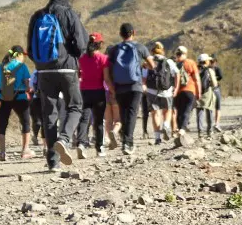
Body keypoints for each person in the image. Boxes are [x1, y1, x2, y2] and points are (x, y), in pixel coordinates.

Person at [27, 0, 89, 170]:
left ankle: (53, 162)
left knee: (49, 113)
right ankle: (65, 138)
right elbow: (81, 43)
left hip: (44, 71)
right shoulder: (69, 14)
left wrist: (42, 64)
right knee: (75, 106)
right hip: (67, 68)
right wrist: (73, 57)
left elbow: (30, 49)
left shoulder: (37, 16)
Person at [105, 23, 151, 156]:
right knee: (131, 113)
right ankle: (128, 143)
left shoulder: (114, 50)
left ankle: (125, 139)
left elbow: (108, 70)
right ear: (133, 32)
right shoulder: (140, 47)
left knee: (123, 114)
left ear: (120, 34)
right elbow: (152, 65)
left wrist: (112, 88)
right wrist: (143, 65)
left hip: (119, 87)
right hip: (135, 86)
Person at [0, 46, 35, 160]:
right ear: (18, 55)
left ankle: (2, 153)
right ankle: (25, 150)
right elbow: (28, 82)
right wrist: (29, 89)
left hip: (3, 97)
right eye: (23, 55)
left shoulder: (0, 67)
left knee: (2, 124)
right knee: (25, 122)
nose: (24, 58)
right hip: (20, 97)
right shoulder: (22, 67)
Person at [75, 33, 111, 158]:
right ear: (100, 44)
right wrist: (113, 90)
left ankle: (81, 144)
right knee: (98, 121)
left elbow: (78, 75)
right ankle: (99, 148)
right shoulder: (104, 58)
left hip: (84, 92)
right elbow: (106, 78)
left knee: (84, 119)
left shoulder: (81, 58)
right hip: (98, 92)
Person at [146, 42, 177, 144]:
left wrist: (144, 87)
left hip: (151, 91)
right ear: (163, 50)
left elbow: (143, 77)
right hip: (166, 91)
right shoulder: (168, 61)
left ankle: (157, 138)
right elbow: (177, 73)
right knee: (167, 110)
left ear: (152, 51)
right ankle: (166, 125)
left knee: (155, 113)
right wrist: (176, 87)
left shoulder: (148, 62)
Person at [172, 46, 202, 144]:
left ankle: (180, 131)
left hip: (178, 91)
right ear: (186, 53)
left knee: (179, 112)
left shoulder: (175, 64)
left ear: (177, 53)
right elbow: (197, 79)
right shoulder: (191, 63)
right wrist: (198, 92)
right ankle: (182, 130)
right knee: (187, 110)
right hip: (190, 90)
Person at [195, 53, 218, 140]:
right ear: (206, 61)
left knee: (199, 113)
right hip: (208, 92)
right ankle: (209, 132)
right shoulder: (210, 70)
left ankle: (200, 133)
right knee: (209, 111)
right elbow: (214, 83)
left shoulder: (195, 69)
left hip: (198, 93)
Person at [209, 54, 224, 132]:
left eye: (213, 61)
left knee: (214, 107)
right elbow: (221, 77)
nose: (212, 62)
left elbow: (221, 76)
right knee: (215, 107)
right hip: (214, 89)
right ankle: (215, 124)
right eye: (211, 61)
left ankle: (215, 124)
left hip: (212, 89)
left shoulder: (208, 69)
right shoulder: (215, 68)